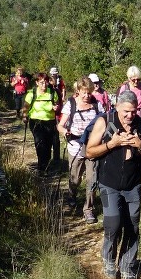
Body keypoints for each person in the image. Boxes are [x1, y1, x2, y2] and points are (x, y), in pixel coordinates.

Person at [85, 90, 141, 279]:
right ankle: (108, 257)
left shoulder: (140, 124)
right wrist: (112, 144)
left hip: (133, 183)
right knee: (113, 224)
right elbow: (89, 151)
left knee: (132, 225)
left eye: (133, 111)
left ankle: (128, 265)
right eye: (126, 111)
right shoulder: (104, 121)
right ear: (117, 107)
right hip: (108, 183)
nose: (130, 115)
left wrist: (140, 145)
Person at [59, 77, 101, 223]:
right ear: (78, 91)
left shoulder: (97, 104)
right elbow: (60, 124)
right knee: (75, 177)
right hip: (75, 145)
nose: (87, 96)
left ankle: (88, 209)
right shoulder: (70, 104)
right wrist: (64, 131)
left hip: (93, 146)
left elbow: (105, 121)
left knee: (92, 179)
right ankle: (71, 195)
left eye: (89, 92)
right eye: (84, 92)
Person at [21, 71, 60, 175]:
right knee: (40, 143)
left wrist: (55, 107)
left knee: (48, 145)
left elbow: (56, 104)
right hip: (36, 121)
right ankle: (42, 168)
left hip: (50, 121)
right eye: (42, 82)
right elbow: (26, 106)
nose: (44, 84)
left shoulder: (52, 93)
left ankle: (45, 165)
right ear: (37, 83)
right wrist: (24, 116)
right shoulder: (32, 93)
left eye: (46, 82)